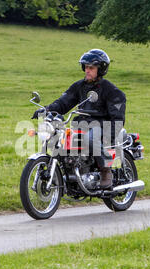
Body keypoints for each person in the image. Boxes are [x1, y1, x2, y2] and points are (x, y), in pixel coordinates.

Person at [31, 49, 126, 189]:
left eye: (91, 68)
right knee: (59, 138)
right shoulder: (79, 86)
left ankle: (106, 171)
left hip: (102, 126)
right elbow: (64, 102)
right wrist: (47, 110)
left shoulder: (111, 91)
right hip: (81, 125)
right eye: (86, 67)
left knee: (91, 138)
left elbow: (117, 118)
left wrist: (109, 134)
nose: (87, 71)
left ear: (101, 70)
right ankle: (70, 170)